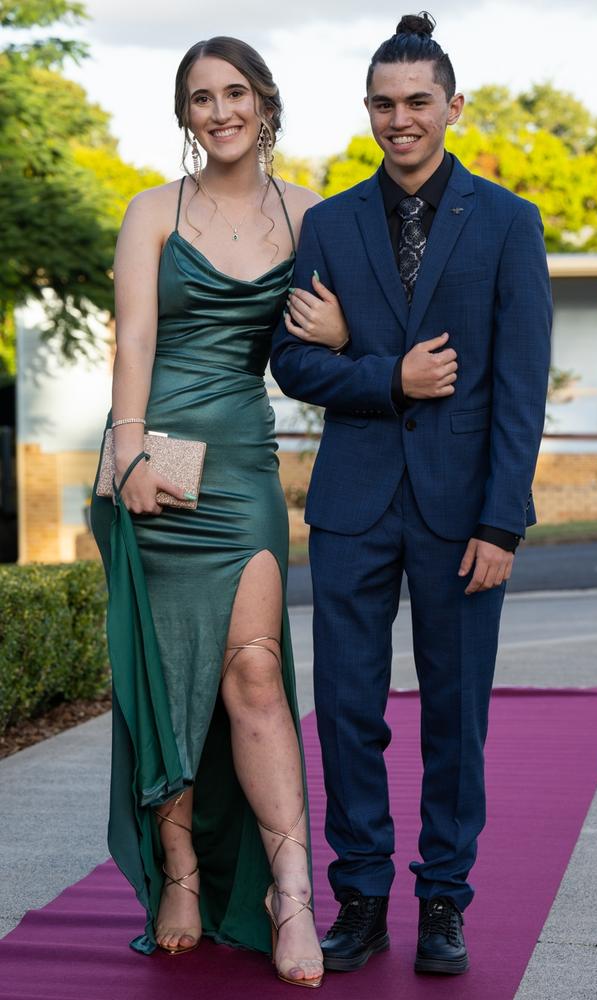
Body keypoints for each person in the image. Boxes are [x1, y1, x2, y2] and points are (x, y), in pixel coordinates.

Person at [271, 12, 552, 977]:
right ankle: (359, 897)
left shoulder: (510, 223)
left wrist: (503, 519)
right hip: (352, 503)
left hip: (464, 508)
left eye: (419, 102)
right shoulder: (329, 223)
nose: (402, 120)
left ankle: (444, 901)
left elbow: (519, 385)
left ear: (451, 106)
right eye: (385, 104)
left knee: (455, 713)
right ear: (368, 111)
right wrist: (388, 375)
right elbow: (295, 363)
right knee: (347, 707)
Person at [91, 35, 346, 988]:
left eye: (234, 92)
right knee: (166, 682)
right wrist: (128, 456)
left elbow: (342, 334)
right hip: (154, 456)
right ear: (185, 115)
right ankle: (183, 874)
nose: (220, 110)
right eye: (201, 97)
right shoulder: (152, 211)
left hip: (239, 466)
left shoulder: (315, 215)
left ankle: (290, 892)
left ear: (264, 102)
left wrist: (344, 328)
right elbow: (135, 341)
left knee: (251, 668)